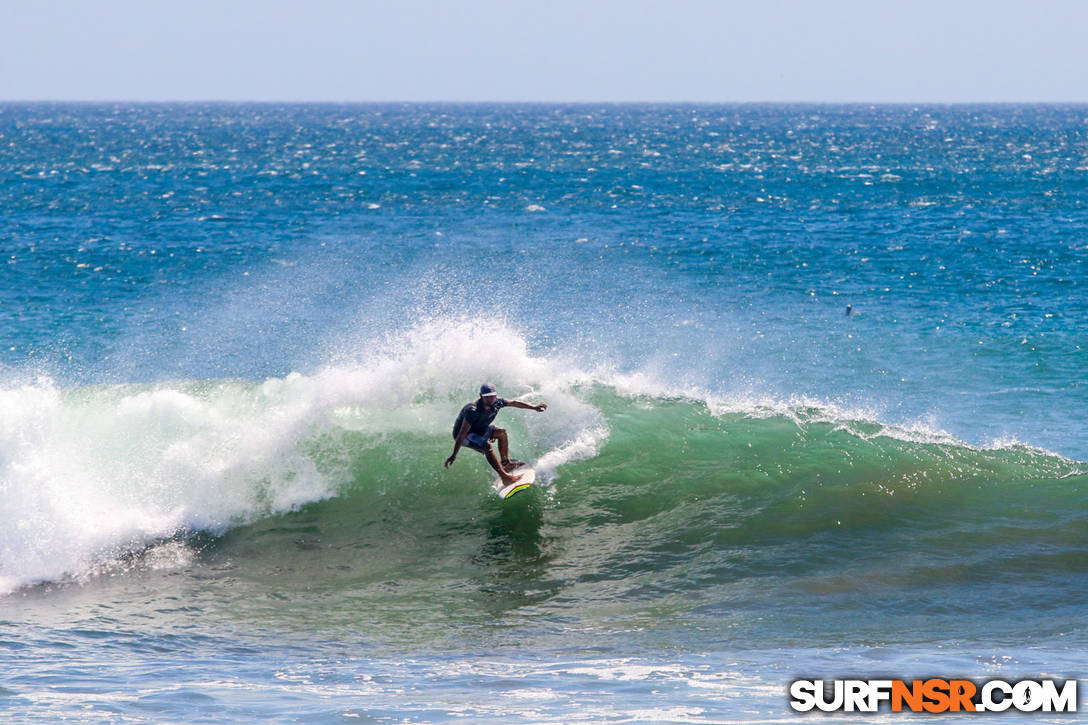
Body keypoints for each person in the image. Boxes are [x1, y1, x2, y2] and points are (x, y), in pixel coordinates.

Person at [445, 383, 547, 485]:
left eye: (493, 396)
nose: (491, 399)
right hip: (465, 436)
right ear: (481, 396)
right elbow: (462, 433)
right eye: (487, 397)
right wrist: (454, 455)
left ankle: (506, 464)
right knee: (486, 445)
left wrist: (534, 407)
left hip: (481, 429)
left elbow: (514, 403)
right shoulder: (473, 410)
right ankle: (505, 477)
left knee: (501, 433)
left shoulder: (498, 402)